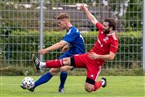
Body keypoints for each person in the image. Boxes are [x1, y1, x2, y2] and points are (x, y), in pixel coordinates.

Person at [32, 4, 119, 93]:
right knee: (65, 61)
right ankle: (42, 64)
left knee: (89, 88)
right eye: (103, 25)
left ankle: (102, 82)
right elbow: (93, 19)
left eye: (105, 26)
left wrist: (97, 56)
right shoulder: (102, 29)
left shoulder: (114, 40)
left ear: (111, 28)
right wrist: (85, 10)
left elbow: (111, 56)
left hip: (96, 64)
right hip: (87, 57)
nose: (102, 26)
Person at [20, 13, 85, 93]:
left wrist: (46, 50)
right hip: (70, 53)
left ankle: (61, 87)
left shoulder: (73, 31)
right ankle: (33, 86)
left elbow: (60, 44)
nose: (58, 25)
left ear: (64, 21)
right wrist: (67, 45)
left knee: (63, 68)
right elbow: (74, 41)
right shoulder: (69, 30)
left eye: (59, 23)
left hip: (77, 56)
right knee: (53, 70)